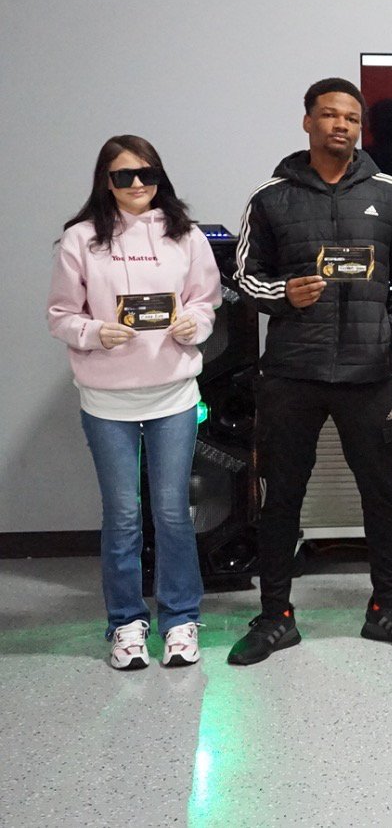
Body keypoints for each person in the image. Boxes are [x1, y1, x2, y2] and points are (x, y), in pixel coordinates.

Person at [229, 77, 392, 665]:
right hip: (292, 373)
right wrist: (283, 294)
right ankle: (275, 617)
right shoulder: (271, 197)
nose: (340, 125)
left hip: (369, 374)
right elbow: (244, 277)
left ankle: (387, 609)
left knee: (382, 496)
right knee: (280, 497)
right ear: (307, 122)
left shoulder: (390, 194)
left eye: (350, 117)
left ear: (359, 127)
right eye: (328, 115)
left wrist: (391, 332)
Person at [48, 135, 221, 669]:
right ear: (106, 181)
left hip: (172, 394)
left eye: (147, 173)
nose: (138, 184)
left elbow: (206, 301)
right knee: (122, 516)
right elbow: (60, 314)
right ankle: (125, 622)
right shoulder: (80, 239)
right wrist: (94, 333)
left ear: (159, 176)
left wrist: (196, 325)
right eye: (124, 176)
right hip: (107, 400)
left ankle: (180, 619)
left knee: (172, 513)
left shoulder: (185, 235)